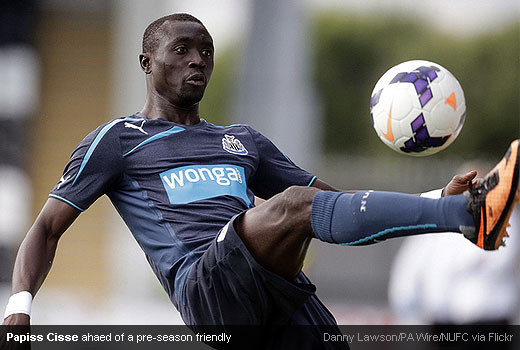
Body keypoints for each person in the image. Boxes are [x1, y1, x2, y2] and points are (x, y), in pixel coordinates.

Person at [2, 13, 519, 349]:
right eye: (181, 50)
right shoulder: (117, 139)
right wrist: (19, 308)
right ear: (146, 62)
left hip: (278, 291)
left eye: (204, 50)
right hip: (205, 286)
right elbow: (46, 228)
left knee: (303, 205)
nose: (197, 60)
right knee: (293, 204)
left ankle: (455, 212)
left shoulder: (242, 139)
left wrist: (429, 197)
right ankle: (467, 218)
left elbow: (333, 205)